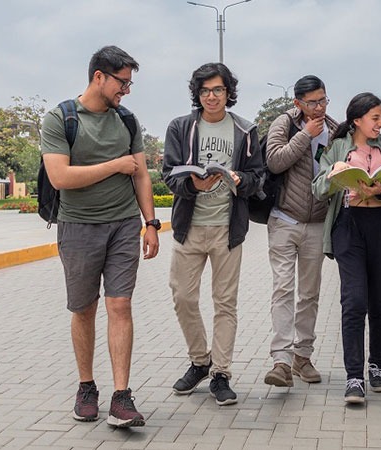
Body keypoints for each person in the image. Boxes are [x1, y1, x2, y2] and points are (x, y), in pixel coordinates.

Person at [40, 45, 158, 427]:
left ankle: (122, 397)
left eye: (129, 82)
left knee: (120, 307)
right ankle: (86, 387)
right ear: (98, 77)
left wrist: (151, 223)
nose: (126, 90)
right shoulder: (61, 119)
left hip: (123, 225)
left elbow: (140, 174)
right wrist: (115, 165)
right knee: (84, 309)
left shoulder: (126, 119)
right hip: (78, 227)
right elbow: (61, 177)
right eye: (122, 82)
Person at [162, 62, 262, 406]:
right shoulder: (180, 127)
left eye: (218, 90)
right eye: (205, 91)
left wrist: (239, 180)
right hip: (189, 228)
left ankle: (221, 373)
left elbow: (257, 176)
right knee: (183, 297)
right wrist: (193, 183)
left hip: (226, 228)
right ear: (197, 94)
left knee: (225, 303)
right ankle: (199, 360)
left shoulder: (246, 131)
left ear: (228, 92)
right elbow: (169, 174)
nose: (211, 96)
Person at [311, 92, 381, 404]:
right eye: (375, 118)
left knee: (380, 301)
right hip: (349, 227)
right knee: (354, 301)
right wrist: (334, 173)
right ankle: (354, 376)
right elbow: (318, 189)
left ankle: (377, 367)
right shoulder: (337, 147)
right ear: (357, 120)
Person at [262, 75, 339, 388]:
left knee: (309, 294)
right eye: (312, 102)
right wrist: (305, 135)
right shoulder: (285, 124)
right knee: (283, 288)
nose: (319, 107)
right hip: (284, 219)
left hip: (317, 222)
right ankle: (280, 360)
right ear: (297, 103)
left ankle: (302, 357)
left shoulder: (334, 129)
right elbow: (275, 161)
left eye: (323, 100)